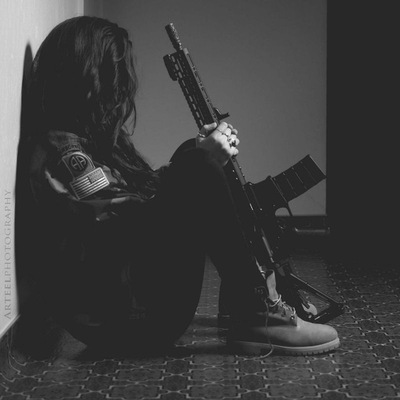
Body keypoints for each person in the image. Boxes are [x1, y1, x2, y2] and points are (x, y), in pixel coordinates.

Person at [25, 16, 339, 356]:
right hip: (123, 322)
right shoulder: (64, 151)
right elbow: (123, 221)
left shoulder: (85, 138)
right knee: (196, 163)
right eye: (112, 77)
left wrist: (197, 155)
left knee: (193, 156)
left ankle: (252, 306)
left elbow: (140, 199)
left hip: (129, 302)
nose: (121, 91)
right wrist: (198, 164)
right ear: (85, 79)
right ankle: (258, 313)